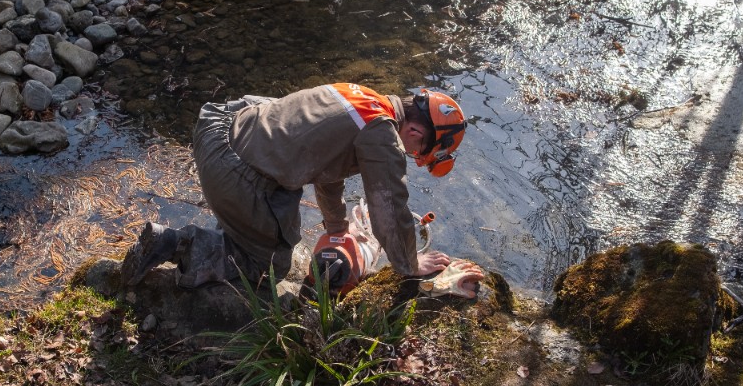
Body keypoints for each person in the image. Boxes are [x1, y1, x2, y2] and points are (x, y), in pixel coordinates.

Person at [120, 82, 481, 291]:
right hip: (236, 174)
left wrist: (339, 228)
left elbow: (326, 169)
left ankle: (238, 222)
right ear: (416, 132)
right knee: (269, 265)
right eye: (420, 153)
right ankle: (176, 243)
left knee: (284, 168)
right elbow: (389, 209)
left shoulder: (364, 98)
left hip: (219, 127)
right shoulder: (383, 137)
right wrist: (409, 262)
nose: (414, 156)